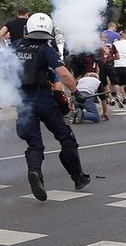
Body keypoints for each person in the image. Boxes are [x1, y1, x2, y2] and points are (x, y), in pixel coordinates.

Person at [14, 12, 91, 201]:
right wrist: (75, 91)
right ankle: (78, 177)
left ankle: (35, 172)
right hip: (43, 99)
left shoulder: (17, 47)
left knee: (34, 143)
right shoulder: (46, 49)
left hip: (23, 101)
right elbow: (63, 74)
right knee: (65, 137)